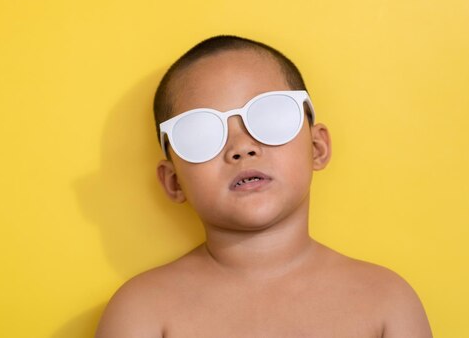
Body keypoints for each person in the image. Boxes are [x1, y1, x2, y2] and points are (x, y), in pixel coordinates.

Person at [96, 35, 432, 337]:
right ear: (173, 181)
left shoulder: (387, 300)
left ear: (317, 147)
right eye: (200, 132)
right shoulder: (142, 310)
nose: (242, 147)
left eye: (270, 116)